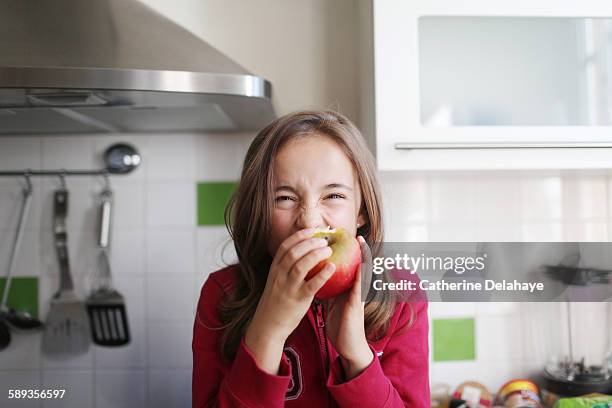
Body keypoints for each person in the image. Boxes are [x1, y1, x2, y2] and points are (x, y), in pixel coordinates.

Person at [192, 110, 429, 407]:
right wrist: (268, 330)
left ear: (362, 210)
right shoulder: (222, 294)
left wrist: (357, 355)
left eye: (333, 196)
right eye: (285, 198)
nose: (309, 221)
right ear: (260, 214)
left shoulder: (402, 293)